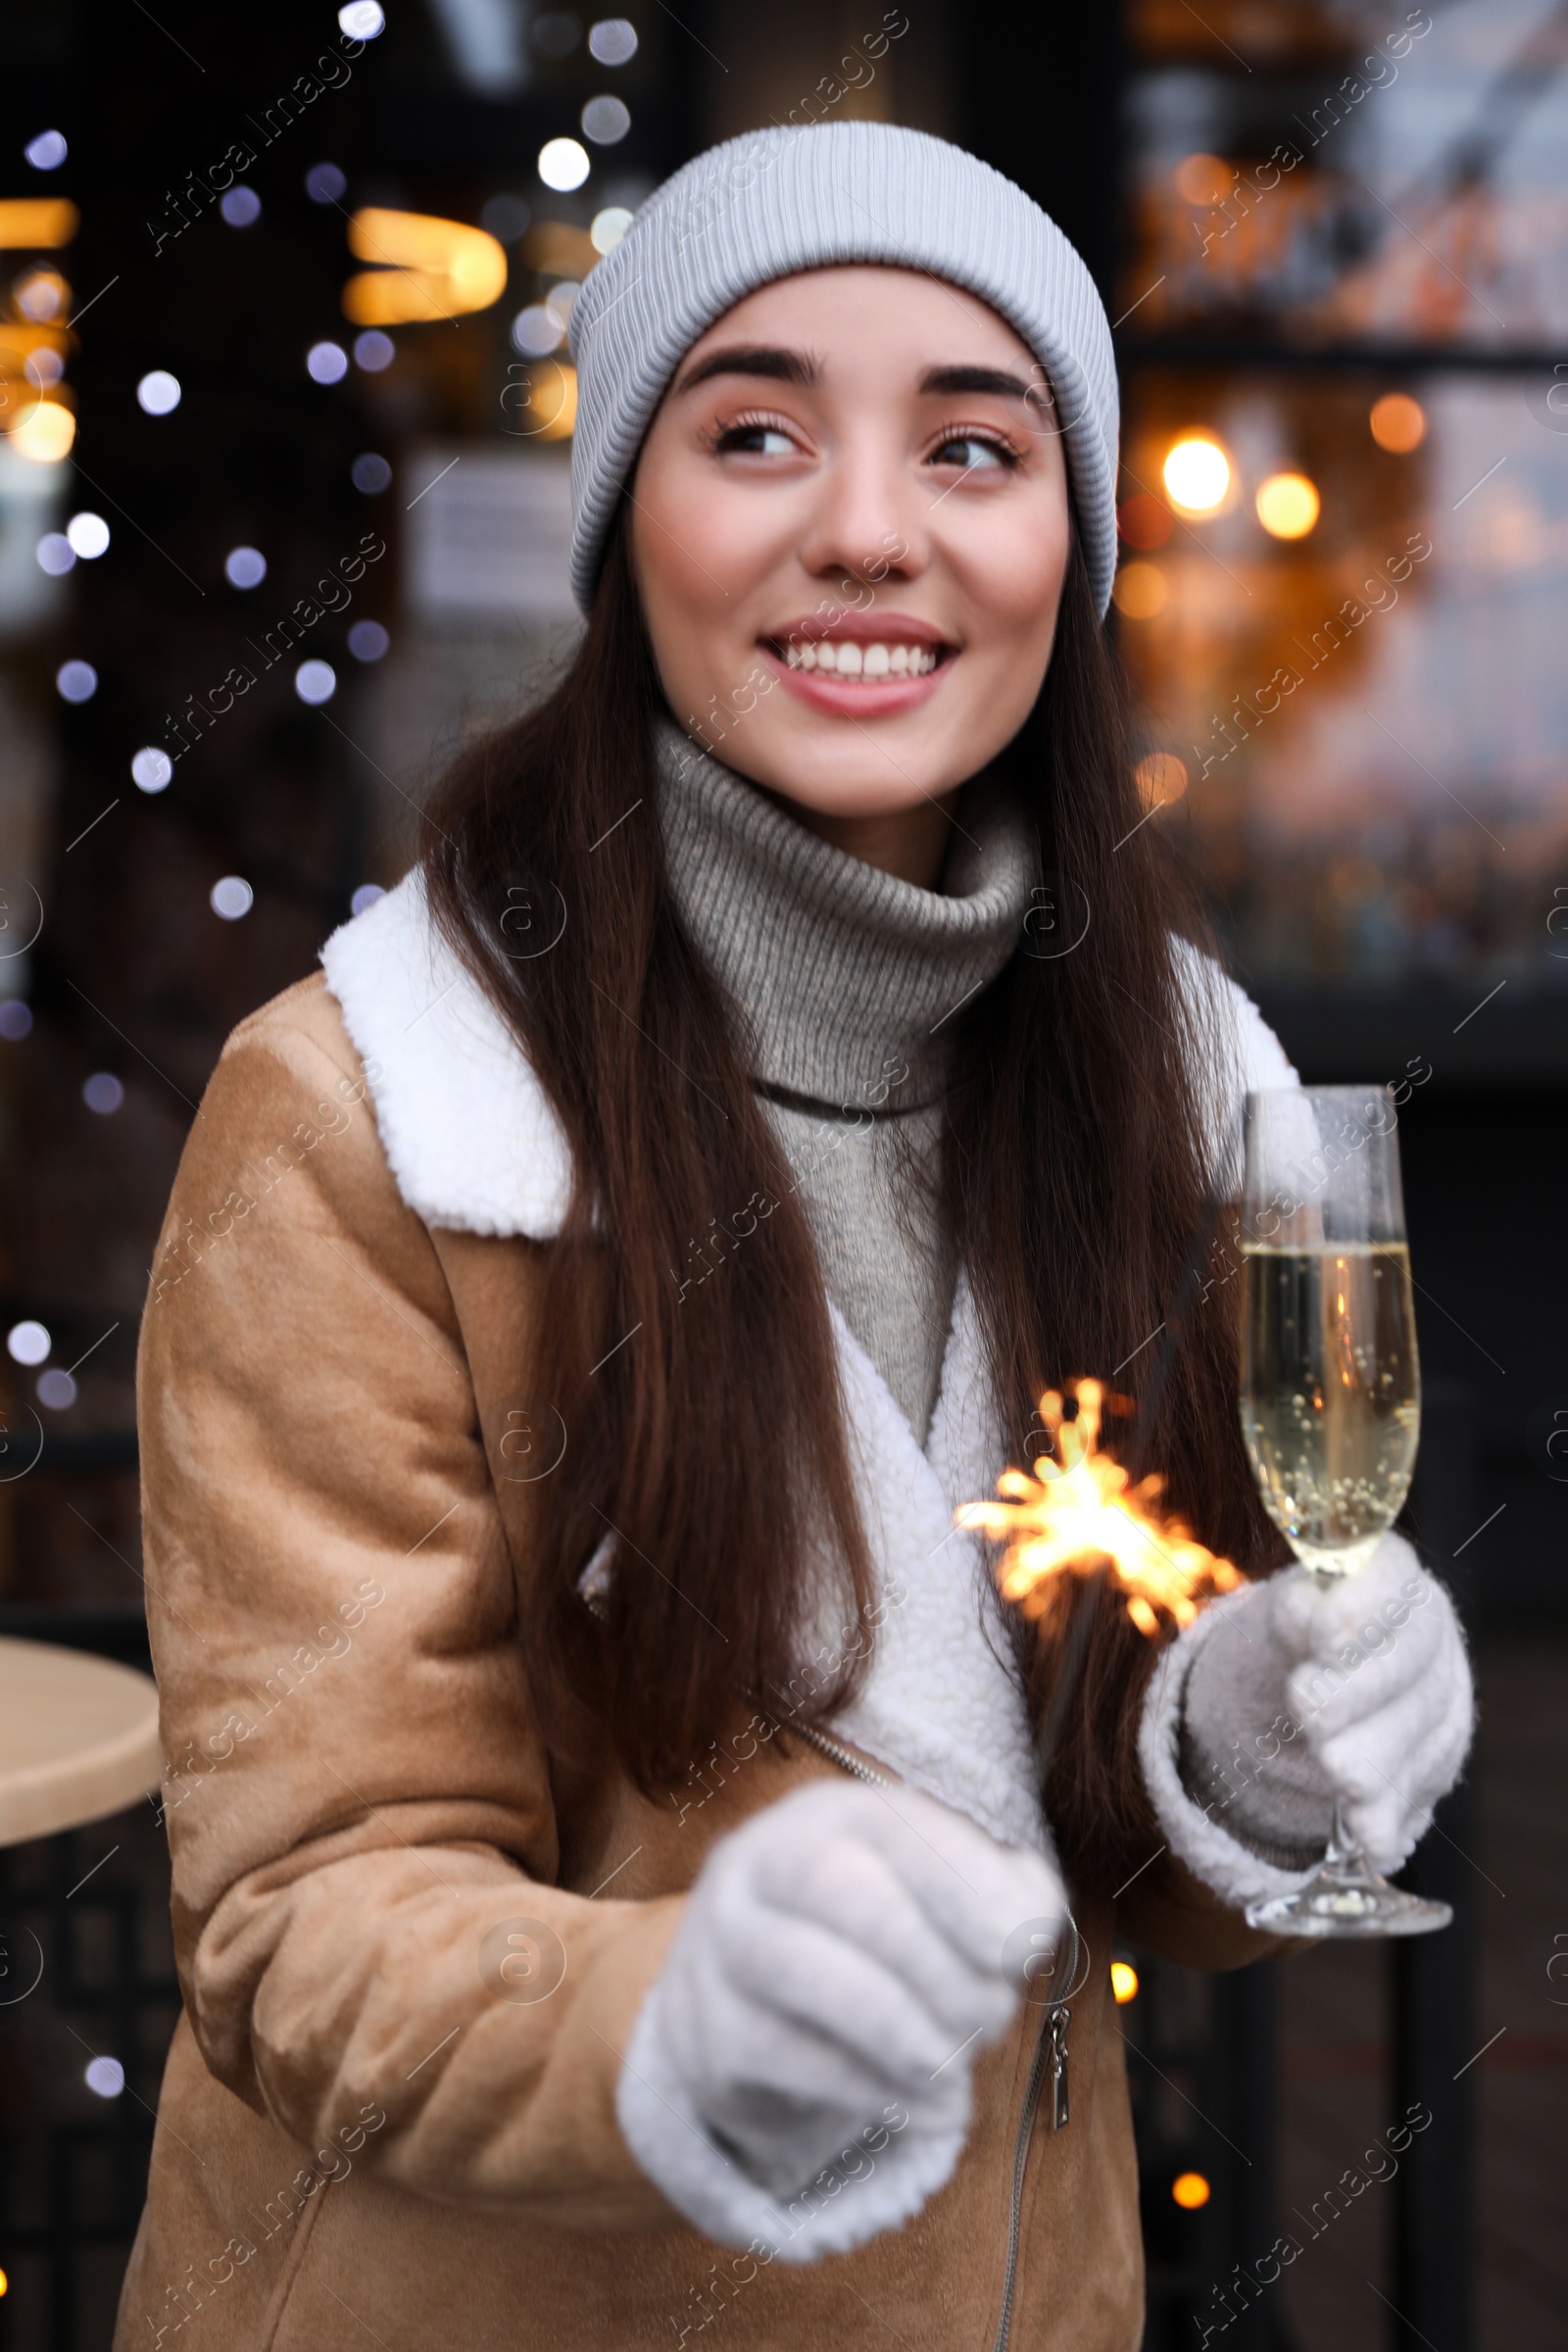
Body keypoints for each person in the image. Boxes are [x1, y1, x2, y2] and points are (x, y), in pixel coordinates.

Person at [117, 122, 1473, 2352]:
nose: (866, 528)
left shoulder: (1156, 1082)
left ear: (1071, 545)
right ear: (621, 531)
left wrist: (1238, 1753)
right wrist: (661, 2021)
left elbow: (1091, 1848)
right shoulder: (366, 1113)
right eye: (752, 432)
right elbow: (303, 1919)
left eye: (972, 443)